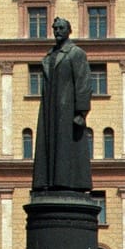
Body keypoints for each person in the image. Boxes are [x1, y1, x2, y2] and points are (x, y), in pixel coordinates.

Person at [32, 16, 93, 191]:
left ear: (69, 31)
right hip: (50, 108)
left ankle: (68, 183)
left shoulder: (76, 53)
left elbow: (83, 82)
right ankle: (48, 182)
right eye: (55, 28)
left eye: (61, 28)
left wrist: (81, 112)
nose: (58, 31)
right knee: (49, 146)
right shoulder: (50, 55)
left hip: (67, 108)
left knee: (67, 147)